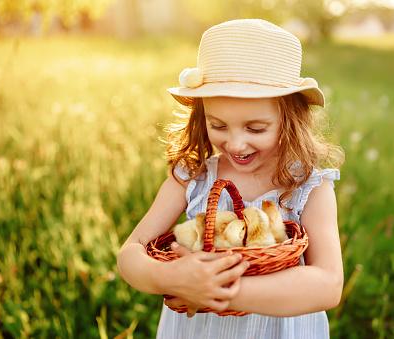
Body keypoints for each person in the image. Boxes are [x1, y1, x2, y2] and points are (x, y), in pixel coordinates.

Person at [117, 19, 345, 338]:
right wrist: (168, 279)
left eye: (255, 128)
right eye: (219, 126)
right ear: (202, 117)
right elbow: (130, 253)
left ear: (289, 120)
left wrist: (216, 292)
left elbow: (328, 285)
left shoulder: (309, 189)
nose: (236, 145)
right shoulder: (192, 176)